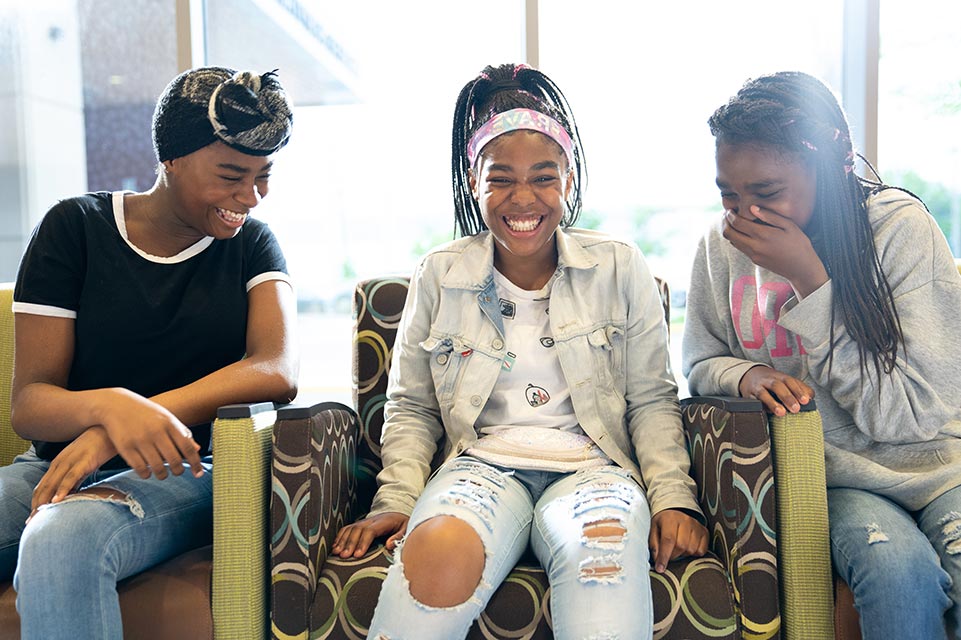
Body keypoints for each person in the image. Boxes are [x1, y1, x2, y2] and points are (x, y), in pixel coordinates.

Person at [331, 62, 707, 640]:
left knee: (601, 567)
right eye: (500, 177)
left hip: (595, 469)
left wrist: (672, 498)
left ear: (570, 180)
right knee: (436, 555)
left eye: (543, 176)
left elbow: (652, 401)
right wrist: (399, 496)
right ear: (473, 181)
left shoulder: (619, 264)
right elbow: (413, 408)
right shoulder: (439, 273)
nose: (523, 197)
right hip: (480, 467)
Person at [0, 66, 299, 638]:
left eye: (263, 176)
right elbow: (30, 404)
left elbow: (276, 368)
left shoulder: (253, 246)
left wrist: (129, 425)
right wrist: (110, 408)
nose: (250, 196)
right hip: (52, 464)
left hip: (188, 469)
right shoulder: (75, 228)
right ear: (171, 158)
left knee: (61, 538)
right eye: (231, 175)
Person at [682, 70, 961, 639]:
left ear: (833, 169)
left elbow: (906, 418)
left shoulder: (899, 230)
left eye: (766, 193)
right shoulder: (720, 245)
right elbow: (699, 363)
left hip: (935, 469)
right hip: (837, 480)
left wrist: (811, 281)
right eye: (728, 194)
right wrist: (746, 374)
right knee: (894, 571)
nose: (745, 214)